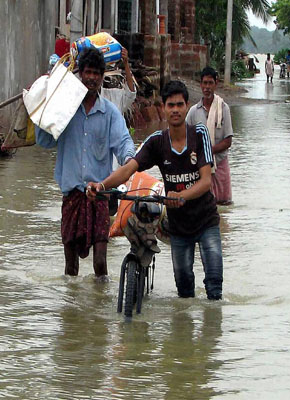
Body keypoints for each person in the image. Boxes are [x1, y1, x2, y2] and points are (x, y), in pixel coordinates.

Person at [87, 80, 223, 300]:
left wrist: (180, 196)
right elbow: (128, 169)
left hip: (206, 220)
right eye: (171, 105)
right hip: (178, 226)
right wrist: (101, 186)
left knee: (215, 287)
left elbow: (206, 181)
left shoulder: (199, 134)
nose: (176, 110)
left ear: (187, 106)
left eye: (180, 104)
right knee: (184, 291)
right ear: (164, 108)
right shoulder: (156, 142)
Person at [35, 47, 136, 279]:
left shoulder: (110, 113)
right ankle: (72, 310)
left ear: (102, 77)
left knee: (100, 264)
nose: (91, 78)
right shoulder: (65, 110)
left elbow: (123, 144)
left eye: (96, 74)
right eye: (87, 72)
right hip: (72, 195)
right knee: (70, 269)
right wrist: (42, 107)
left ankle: (99, 310)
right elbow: (44, 141)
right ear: (80, 74)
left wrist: (130, 162)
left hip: (99, 195)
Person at [186, 66, 233, 205]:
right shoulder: (194, 111)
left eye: (210, 83)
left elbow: (228, 141)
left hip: (220, 163)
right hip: (200, 166)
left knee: (224, 203)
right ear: (200, 85)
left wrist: (208, 151)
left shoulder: (224, 109)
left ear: (215, 84)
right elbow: (185, 136)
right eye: (204, 83)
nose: (207, 87)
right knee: (203, 203)